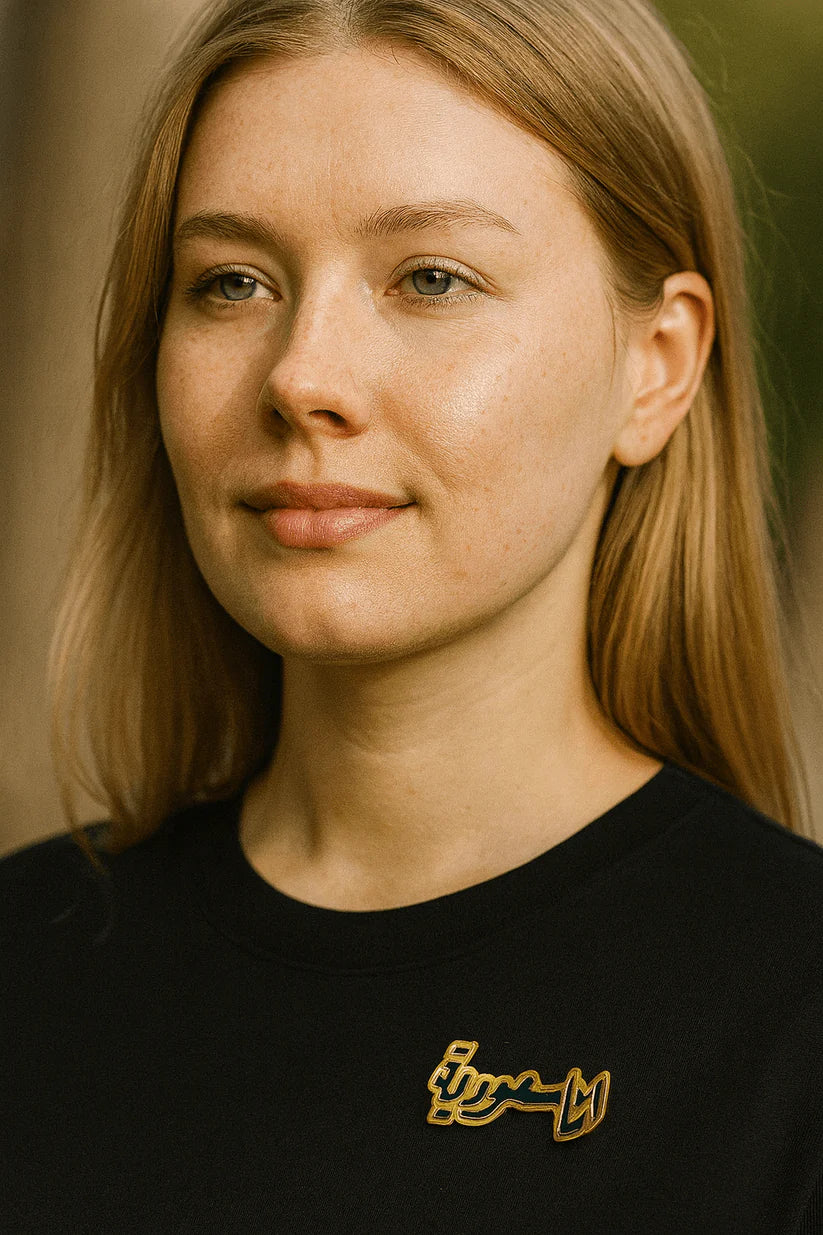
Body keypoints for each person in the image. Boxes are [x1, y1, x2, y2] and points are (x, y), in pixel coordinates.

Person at [2, 0, 822, 1229]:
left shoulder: (789, 1018)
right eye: (231, 282)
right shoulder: (25, 964)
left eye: (431, 277)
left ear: (656, 364)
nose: (301, 375)